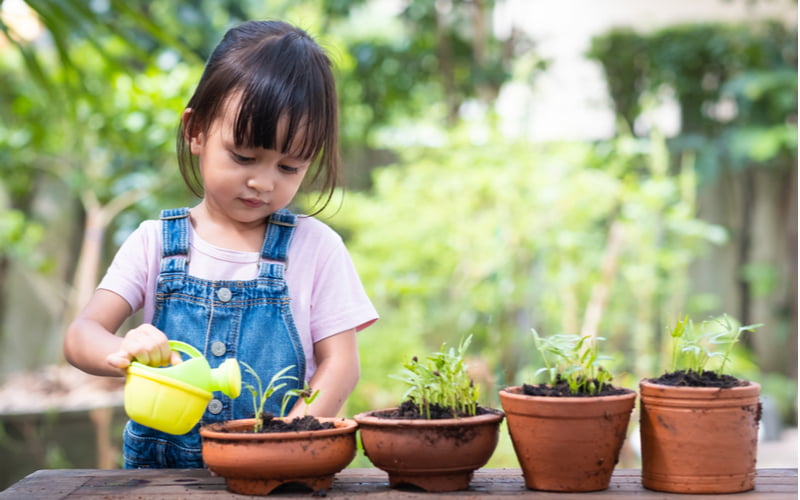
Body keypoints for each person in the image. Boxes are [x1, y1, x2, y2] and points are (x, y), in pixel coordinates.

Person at [63, 20, 378, 469]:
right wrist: (123, 351)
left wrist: (289, 442)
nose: (262, 182)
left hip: (282, 473)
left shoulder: (316, 248)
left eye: (289, 167)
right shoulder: (155, 243)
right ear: (195, 131)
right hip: (162, 482)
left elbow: (341, 366)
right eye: (244, 156)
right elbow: (80, 337)